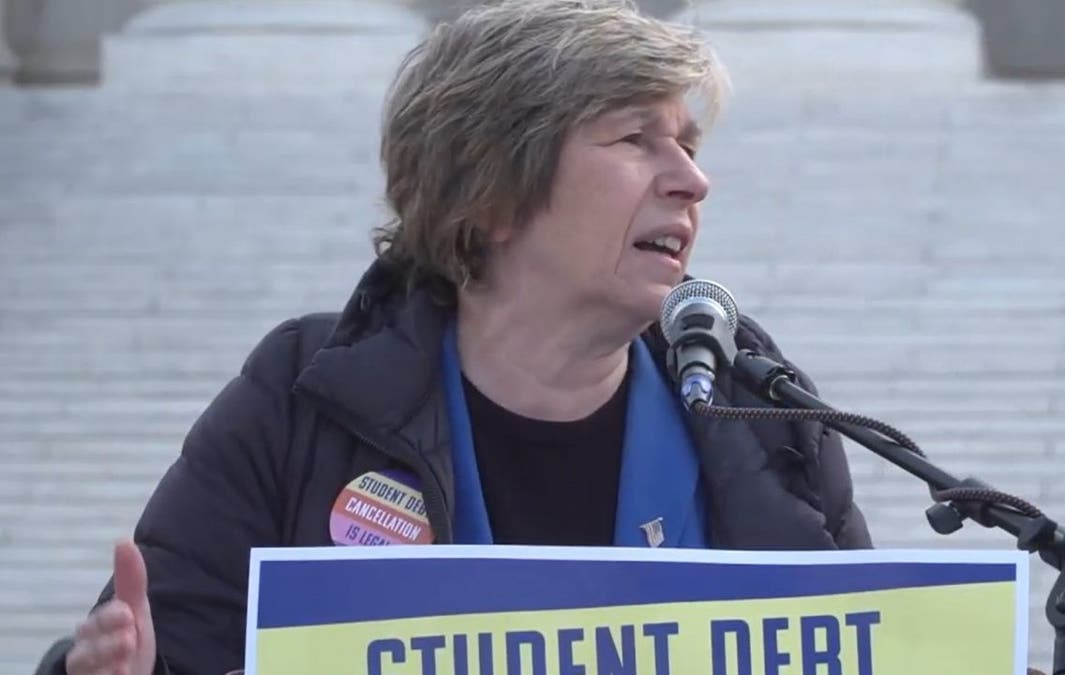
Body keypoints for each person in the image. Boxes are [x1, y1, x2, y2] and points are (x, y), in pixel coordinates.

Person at [55, 1, 871, 673]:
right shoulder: (302, 398)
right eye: (635, 140)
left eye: (688, 145)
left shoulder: (759, 407)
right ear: (492, 193)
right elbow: (162, 647)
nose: (693, 179)